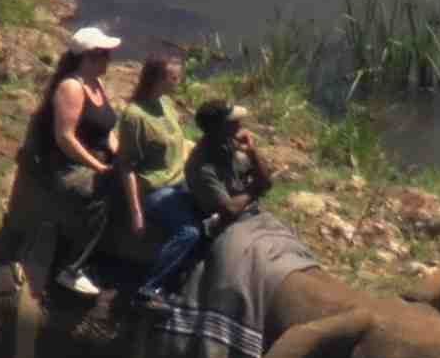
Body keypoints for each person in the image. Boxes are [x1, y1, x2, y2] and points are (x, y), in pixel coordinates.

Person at [14, 25, 125, 296]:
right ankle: (71, 267)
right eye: (104, 54)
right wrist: (99, 167)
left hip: (96, 159)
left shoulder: (96, 85)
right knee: (102, 195)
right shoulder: (71, 87)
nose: (109, 60)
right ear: (88, 56)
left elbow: (108, 130)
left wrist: (121, 157)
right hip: (69, 166)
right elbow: (65, 138)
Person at [117, 54, 205, 310]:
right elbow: (126, 166)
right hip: (155, 189)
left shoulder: (166, 103)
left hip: (179, 182)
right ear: (156, 78)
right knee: (189, 232)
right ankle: (149, 288)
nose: (179, 81)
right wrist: (136, 212)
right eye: (173, 77)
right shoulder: (135, 116)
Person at [184, 99, 272, 237]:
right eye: (233, 121)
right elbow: (228, 210)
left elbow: (266, 179)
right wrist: (255, 190)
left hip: (251, 214)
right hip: (226, 228)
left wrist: (253, 152)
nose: (239, 124)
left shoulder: (228, 143)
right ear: (218, 128)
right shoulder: (201, 168)